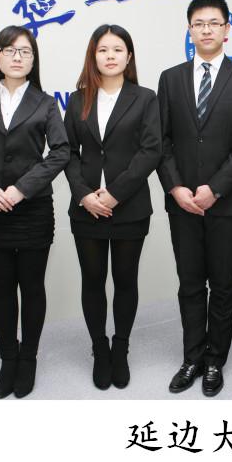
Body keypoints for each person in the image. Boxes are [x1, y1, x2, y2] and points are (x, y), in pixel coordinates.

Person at [0, 25, 70, 398]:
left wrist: (21, 189)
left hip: (33, 208)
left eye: (25, 51)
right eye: (10, 50)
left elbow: (61, 151)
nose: (17, 57)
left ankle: (29, 358)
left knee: (32, 286)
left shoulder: (45, 103)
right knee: (2, 286)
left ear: (34, 60)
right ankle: (8, 358)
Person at [157, 0, 232, 397]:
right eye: (199, 23)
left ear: (227, 30)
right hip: (182, 202)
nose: (206, 30)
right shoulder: (170, 78)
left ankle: (216, 359)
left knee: (222, 284)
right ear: (189, 30)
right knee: (189, 284)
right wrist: (176, 187)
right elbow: (161, 140)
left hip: (227, 202)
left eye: (214, 23)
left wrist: (215, 188)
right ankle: (192, 358)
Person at [63, 24, 161, 390]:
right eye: (103, 49)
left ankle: (120, 348)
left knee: (125, 279)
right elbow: (67, 152)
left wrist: (115, 194)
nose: (110, 56)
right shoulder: (78, 100)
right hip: (86, 208)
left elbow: (151, 150)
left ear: (128, 56)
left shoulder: (145, 98)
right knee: (92, 280)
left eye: (117, 49)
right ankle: (99, 349)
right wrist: (84, 194)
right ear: (93, 55)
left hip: (129, 207)